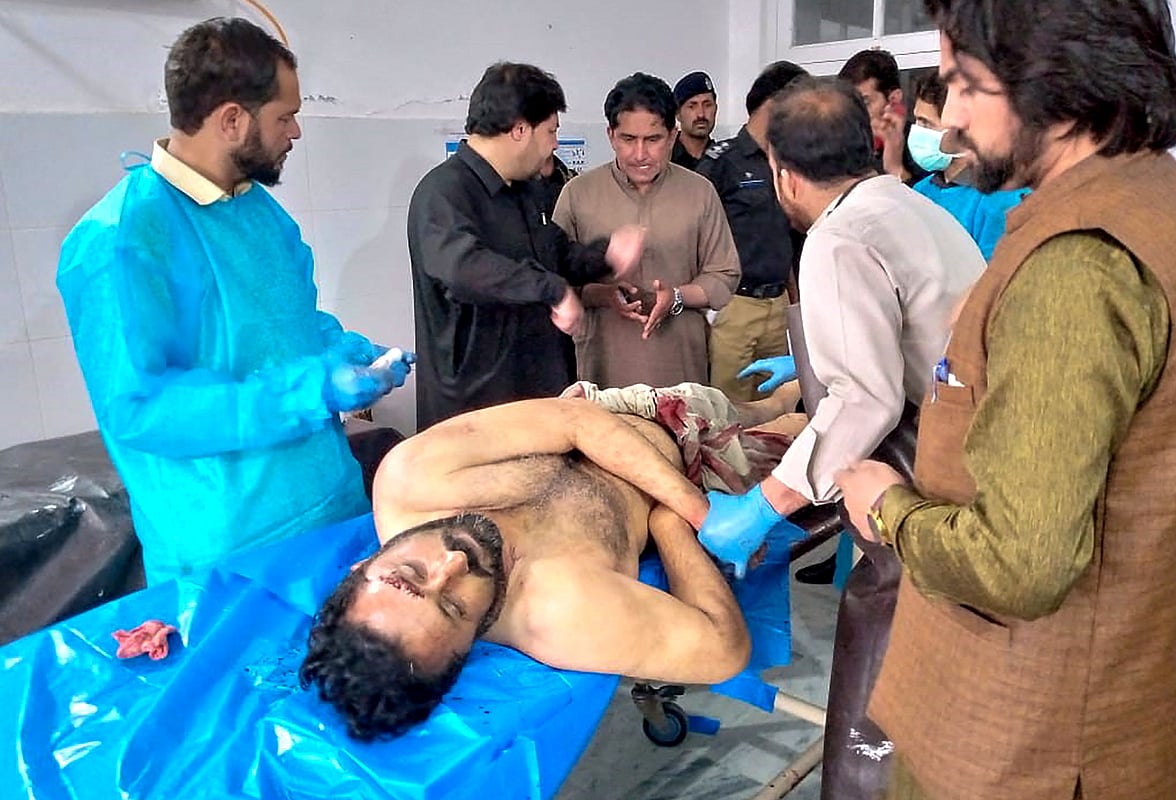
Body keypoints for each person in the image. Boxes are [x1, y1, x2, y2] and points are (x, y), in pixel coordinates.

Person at [834, 0, 1176, 797]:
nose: (951, 120)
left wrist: (889, 508)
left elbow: (1023, 562)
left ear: (1058, 79)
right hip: (1128, 706)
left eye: (967, 85)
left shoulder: (1079, 267)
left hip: (1023, 745)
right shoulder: (1170, 207)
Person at [56, 18, 414, 584]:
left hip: (330, 508)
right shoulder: (123, 240)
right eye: (284, 116)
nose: (295, 131)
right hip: (229, 550)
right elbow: (144, 408)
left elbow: (286, 322)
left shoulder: (259, 214)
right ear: (231, 119)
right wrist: (312, 388)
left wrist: (342, 350)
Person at [299, 391, 805, 741]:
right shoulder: (561, 614)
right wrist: (670, 527)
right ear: (468, 644)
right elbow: (722, 650)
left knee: (755, 403)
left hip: (630, 406)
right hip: (702, 462)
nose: (453, 563)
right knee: (808, 432)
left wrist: (694, 514)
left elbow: (575, 421)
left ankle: (775, 405)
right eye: (453, 606)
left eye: (410, 574)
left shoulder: (413, 478)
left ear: (362, 565)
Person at [698, 76, 984, 579]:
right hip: (980, 439)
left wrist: (764, 505)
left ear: (782, 174)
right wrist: (809, 359)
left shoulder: (838, 238)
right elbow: (911, 326)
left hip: (944, 469)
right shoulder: (905, 204)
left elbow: (865, 402)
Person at [407, 62, 646, 430]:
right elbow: (464, 269)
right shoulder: (443, 192)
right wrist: (551, 290)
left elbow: (556, 253)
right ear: (520, 129)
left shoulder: (525, 189)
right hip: (476, 410)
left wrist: (606, 255)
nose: (554, 143)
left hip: (539, 390)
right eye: (550, 131)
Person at [552, 72, 740, 388]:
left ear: (672, 136)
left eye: (653, 140)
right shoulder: (577, 193)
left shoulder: (699, 192)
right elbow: (553, 279)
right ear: (610, 135)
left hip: (679, 369)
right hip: (604, 370)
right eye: (628, 139)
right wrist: (603, 295)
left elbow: (724, 274)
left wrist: (676, 297)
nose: (640, 154)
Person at [698, 60, 808, 401]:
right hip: (735, 305)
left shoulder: (788, 161)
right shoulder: (722, 162)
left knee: (778, 404)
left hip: (777, 305)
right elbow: (696, 233)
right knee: (728, 408)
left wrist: (795, 301)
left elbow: (784, 238)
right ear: (775, 104)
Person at [907, 68, 1028, 260]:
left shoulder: (1000, 197)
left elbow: (991, 277)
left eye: (926, 123)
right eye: (916, 120)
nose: (917, 131)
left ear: (960, 124)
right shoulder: (920, 191)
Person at [838, 49, 925, 185]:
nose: (853, 113)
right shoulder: (843, 147)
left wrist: (896, 168)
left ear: (894, 99)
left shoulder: (921, 147)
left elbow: (929, 204)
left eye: (864, 103)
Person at [671, 70, 718, 170]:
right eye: (692, 106)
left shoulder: (725, 160)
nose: (701, 114)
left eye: (707, 105)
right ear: (678, 113)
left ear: (716, 109)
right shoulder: (665, 156)